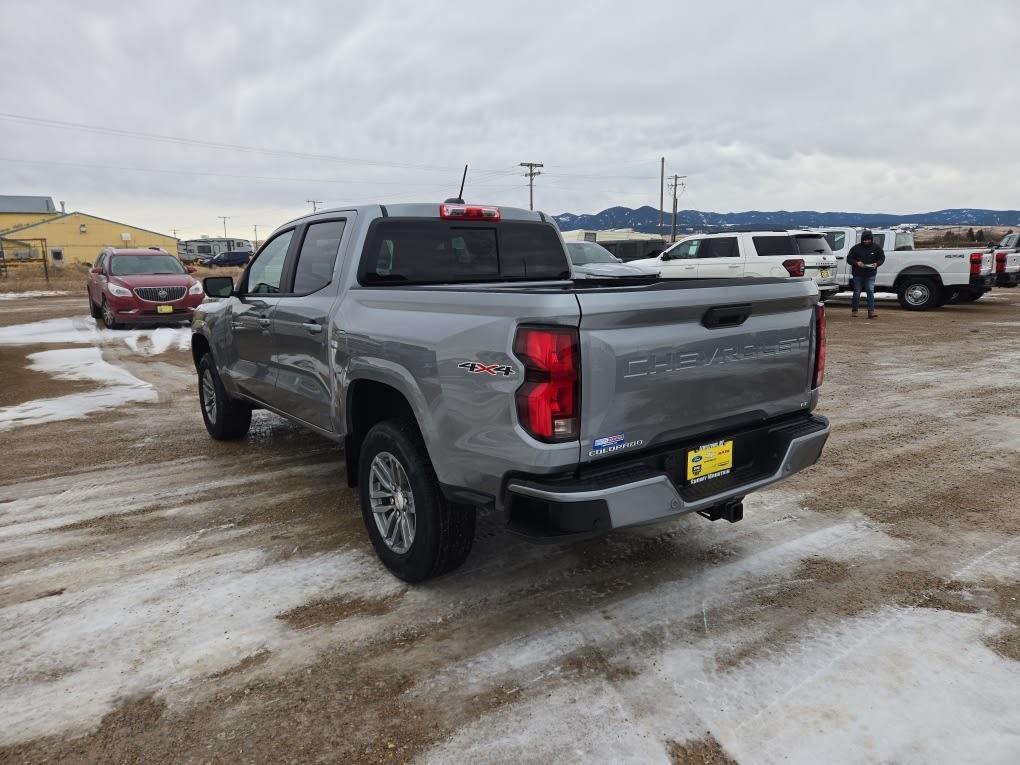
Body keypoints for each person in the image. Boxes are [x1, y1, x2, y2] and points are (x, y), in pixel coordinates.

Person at [847, 230, 885, 318]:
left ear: (871, 239)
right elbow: (849, 259)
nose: (866, 241)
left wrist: (877, 264)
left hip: (871, 273)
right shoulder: (855, 248)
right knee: (857, 292)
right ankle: (854, 311)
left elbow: (882, 258)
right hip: (858, 273)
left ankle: (871, 311)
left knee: (870, 291)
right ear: (862, 239)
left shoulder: (877, 248)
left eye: (868, 240)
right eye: (864, 240)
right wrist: (857, 263)